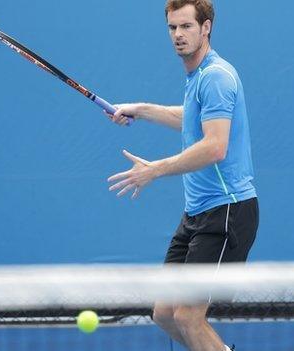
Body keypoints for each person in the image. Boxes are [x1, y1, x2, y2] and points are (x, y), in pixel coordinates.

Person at [107, 1, 258, 350]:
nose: (178, 35)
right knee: (164, 313)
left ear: (206, 28)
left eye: (187, 26)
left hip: (227, 212)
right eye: (173, 28)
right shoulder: (198, 76)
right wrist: (141, 110)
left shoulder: (216, 76)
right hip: (196, 214)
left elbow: (215, 146)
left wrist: (154, 170)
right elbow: (190, 119)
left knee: (188, 316)